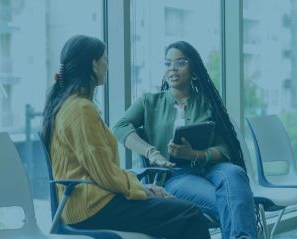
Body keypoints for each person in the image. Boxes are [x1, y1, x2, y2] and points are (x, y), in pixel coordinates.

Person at [41, 35, 210, 239]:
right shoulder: (80, 110)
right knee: (190, 215)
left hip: (89, 203)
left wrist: (143, 187)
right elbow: (105, 174)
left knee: (175, 214)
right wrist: (143, 190)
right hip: (93, 208)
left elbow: (102, 172)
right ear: (94, 65)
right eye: (106, 60)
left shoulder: (67, 104)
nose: (107, 66)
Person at [113, 41, 257, 239]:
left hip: (211, 168)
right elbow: (120, 127)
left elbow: (225, 148)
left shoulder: (207, 103)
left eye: (180, 62)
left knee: (234, 172)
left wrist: (195, 154)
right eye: (167, 63)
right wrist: (151, 152)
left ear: (193, 69)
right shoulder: (149, 102)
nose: (172, 68)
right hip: (177, 175)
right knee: (235, 204)